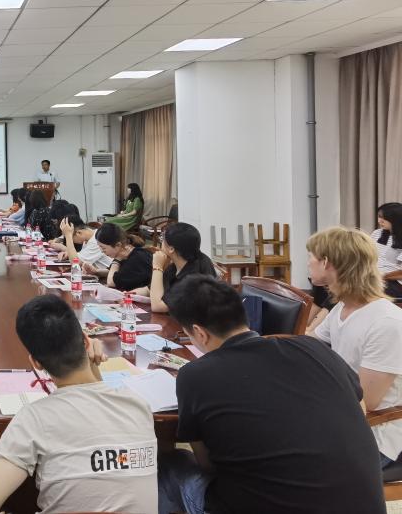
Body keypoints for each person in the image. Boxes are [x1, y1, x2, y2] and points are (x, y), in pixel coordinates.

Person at [159, 275, 384, 514]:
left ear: (199, 333)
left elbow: (208, 464)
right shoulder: (314, 348)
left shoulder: (195, 375)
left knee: (169, 461)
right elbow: (359, 409)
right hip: (363, 506)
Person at [0, 295, 157, 514]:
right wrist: (95, 367)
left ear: (36, 363)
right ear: (86, 342)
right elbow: (96, 399)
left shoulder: (33, 420)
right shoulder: (138, 405)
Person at [309, 225, 402, 469]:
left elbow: (366, 402)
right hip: (343, 415)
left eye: (312, 256)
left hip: (374, 436)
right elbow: (308, 343)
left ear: (327, 263)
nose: (308, 262)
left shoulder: (386, 323)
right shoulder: (343, 307)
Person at [147, 222, 216, 313]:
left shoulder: (195, 276)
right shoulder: (177, 265)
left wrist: (157, 267)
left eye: (162, 240)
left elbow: (158, 306)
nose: (161, 243)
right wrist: (129, 293)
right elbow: (150, 290)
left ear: (171, 249)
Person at [96, 223, 152, 292]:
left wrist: (117, 260)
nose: (102, 251)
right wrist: (95, 272)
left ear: (118, 245)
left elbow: (111, 282)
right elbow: (113, 272)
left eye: (103, 248)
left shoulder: (136, 259)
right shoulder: (125, 253)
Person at [373, 202, 402, 277]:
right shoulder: (377, 233)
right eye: (379, 217)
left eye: (385, 218)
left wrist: (380, 277)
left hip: (392, 279)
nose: (380, 221)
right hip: (373, 276)